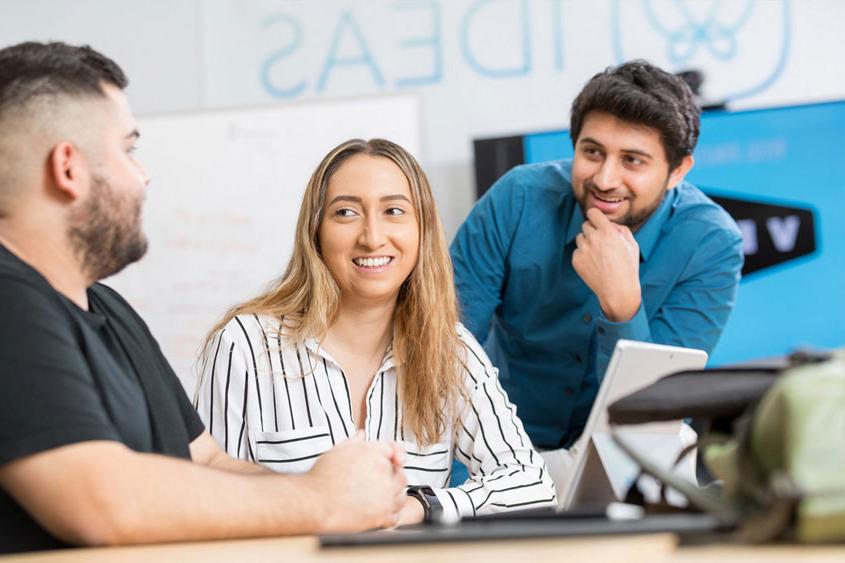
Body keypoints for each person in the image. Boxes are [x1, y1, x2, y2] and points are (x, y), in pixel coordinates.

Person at [0, 41, 407, 554]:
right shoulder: (8, 304)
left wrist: (350, 489)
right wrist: (321, 500)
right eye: (128, 150)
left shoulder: (109, 309)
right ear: (69, 168)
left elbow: (206, 462)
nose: (143, 174)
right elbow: (100, 501)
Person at [194, 138, 556, 525]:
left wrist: (422, 506)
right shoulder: (244, 345)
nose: (372, 236)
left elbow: (531, 484)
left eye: (394, 211)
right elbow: (208, 500)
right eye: (346, 212)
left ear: (422, 230)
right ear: (315, 231)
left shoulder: (450, 350)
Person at [450, 61, 743, 455]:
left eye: (632, 160)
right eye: (592, 152)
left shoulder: (711, 244)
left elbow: (655, 412)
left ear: (677, 171)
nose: (605, 179)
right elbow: (447, 347)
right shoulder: (516, 199)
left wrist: (622, 306)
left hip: (622, 451)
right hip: (500, 442)